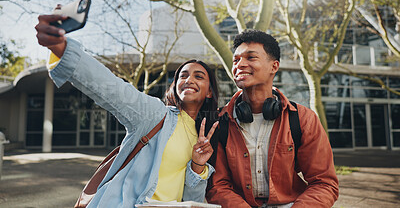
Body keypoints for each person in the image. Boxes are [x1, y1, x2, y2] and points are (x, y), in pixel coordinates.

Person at [35, 14, 220, 207]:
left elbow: (193, 201)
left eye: (199, 76)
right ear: (174, 86)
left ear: (209, 92)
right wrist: (62, 49)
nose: (189, 80)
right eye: (183, 76)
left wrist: (198, 165)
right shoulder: (156, 113)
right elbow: (113, 88)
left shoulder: (204, 138)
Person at [206, 29, 339, 208]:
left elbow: (324, 183)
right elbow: (217, 186)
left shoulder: (304, 119)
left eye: (250, 58)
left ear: (274, 67)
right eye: (236, 60)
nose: (240, 65)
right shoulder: (220, 121)